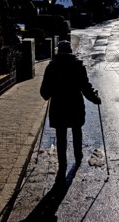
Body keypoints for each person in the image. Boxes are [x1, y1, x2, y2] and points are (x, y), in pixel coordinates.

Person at [40, 40, 101, 182]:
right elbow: (86, 87)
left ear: (58, 51)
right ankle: (78, 157)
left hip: (58, 106)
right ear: (70, 51)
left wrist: (49, 92)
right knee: (76, 130)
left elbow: (44, 93)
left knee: (61, 136)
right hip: (75, 105)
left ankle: (62, 166)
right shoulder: (78, 66)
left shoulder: (51, 66)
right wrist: (95, 99)